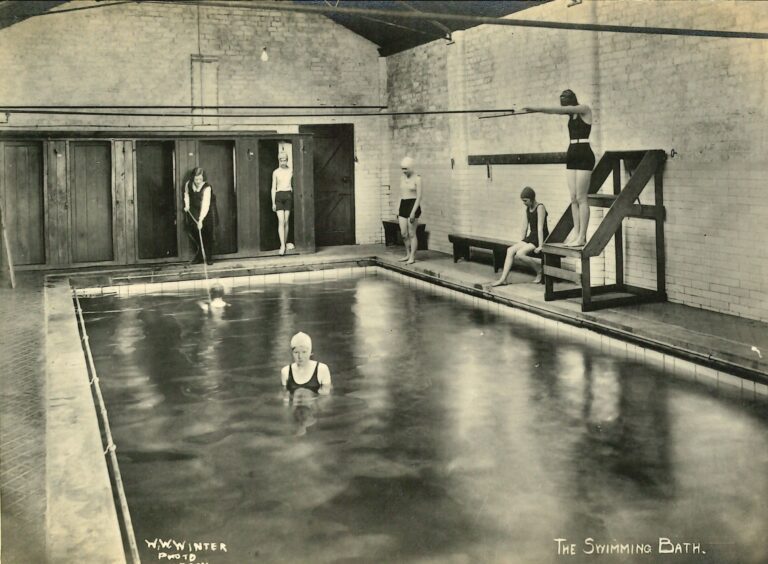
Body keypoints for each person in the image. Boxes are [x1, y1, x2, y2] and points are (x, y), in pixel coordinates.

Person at [523, 90, 594, 247]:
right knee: (573, 198)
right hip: (572, 153)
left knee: (581, 198)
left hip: (584, 154)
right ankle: (576, 234)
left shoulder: (584, 109)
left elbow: (557, 110)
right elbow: (562, 111)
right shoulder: (571, 115)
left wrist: (536, 109)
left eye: (565, 104)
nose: (564, 107)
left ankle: (582, 236)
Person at [490, 187, 549, 287]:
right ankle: (503, 279)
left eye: (525, 201)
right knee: (510, 250)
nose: (524, 203)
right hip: (532, 236)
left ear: (532, 198)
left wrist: (540, 246)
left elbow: (540, 228)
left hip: (541, 237)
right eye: (523, 201)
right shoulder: (528, 209)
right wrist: (522, 242)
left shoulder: (540, 207)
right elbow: (524, 227)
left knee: (520, 253)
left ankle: (539, 270)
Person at [183, 167, 216, 265]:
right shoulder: (188, 184)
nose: (198, 181)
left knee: (207, 235)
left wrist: (201, 220)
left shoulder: (207, 187)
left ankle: (208, 258)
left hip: (206, 213)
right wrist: (187, 205)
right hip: (193, 212)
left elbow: (205, 204)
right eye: (196, 179)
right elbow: (186, 194)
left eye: (200, 179)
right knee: (195, 232)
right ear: (193, 177)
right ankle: (200, 256)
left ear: (203, 178)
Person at [397, 156, 423, 264]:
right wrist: (397, 209)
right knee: (404, 233)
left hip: (413, 205)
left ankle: (412, 256)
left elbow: (419, 197)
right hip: (403, 204)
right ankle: (407, 254)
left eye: (406, 169)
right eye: (402, 169)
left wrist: (413, 212)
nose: (404, 171)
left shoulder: (418, 178)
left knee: (412, 233)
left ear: (411, 167)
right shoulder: (402, 178)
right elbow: (401, 194)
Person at [271, 152, 294, 255]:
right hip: (279, 196)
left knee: (286, 221)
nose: (283, 162)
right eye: (281, 160)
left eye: (284, 160)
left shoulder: (291, 171)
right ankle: (282, 245)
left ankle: (284, 243)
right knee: (281, 221)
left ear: (287, 160)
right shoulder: (275, 172)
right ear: (278, 160)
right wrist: (273, 202)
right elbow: (273, 188)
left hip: (288, 195)